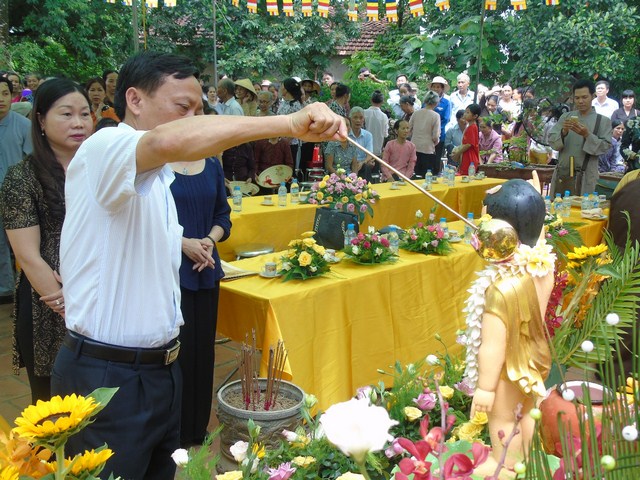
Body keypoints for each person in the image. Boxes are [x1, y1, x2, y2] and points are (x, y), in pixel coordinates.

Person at [51, 51, 345, 480]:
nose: (193, 119)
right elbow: (167, 141)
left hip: (159, 371)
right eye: (182, 107)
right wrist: (288, 123)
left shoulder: (159, 178)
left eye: (199, 109)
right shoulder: (104, 147)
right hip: (107, 376)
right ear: (134, 99)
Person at [0, 78, 92, 403]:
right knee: (55, 407)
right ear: (40, 120)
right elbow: (27, 255)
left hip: (99, 295)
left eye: (85, 114)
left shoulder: (100, 170)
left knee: (102, 400)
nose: (78, 123)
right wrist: (68, 305)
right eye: (66, 114)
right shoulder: (21, 177)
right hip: (49, 301)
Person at [469, 179, 553, 476]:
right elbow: (537, 232)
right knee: (526, 409)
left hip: (507, 368)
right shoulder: (542, 265)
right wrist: (532, 199)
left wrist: (485, 388)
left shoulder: (501, 288)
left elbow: (492, 345)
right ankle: (524, 457)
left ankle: (504, 463)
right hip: (534, 357)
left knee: (502, 416)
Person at [168, 153, 231, 448]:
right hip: (170, 269)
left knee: (203, 351)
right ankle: (175, 430)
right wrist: (183, 243)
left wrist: (209, 240)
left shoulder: (212, 165)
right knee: (177, 352)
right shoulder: (157, 164)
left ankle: (197, 427)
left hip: (205, 265)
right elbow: (147, 221)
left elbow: (222, 215)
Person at [0, 76, 33, 306]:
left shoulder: (23, 126)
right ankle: (5, 288)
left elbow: (33, 162)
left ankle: (27, 289)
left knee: (23, 245)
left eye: (4, 93)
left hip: (18, 196)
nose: (0, 99)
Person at [549, 79, 612, 196]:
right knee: (559, 205)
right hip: (563, 174)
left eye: (584, 97)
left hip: (586, 176)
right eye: (577, 98)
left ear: (593, 96)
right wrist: (563, 132)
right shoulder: (566, 117)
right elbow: (552, 142)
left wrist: (587, 135)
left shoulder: (603, 121)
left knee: (584, 206)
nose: (580, 101)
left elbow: (605, 147)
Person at [409, 90, 441, 176]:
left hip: (414, 146)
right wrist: (436, 142)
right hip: (427, 148)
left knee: (414, 172)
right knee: (425, 175)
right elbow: (435, 136)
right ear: (436, 103)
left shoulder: (416, 113)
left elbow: (409, 129)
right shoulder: (436, 116)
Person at [349, 107, 375, 180]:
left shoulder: (368, 135)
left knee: (366, 167)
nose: (358, 120)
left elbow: (369, 154)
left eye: (361, 118)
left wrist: (363, 162)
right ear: (350, 119)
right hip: (348, 163)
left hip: (363, 164)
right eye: (355, 117)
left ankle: (366, 187)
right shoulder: (346, 135)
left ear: (363, 119)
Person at [430, 76, 451, 165]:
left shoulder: (446, 103)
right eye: (434, 86)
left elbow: (446, 119)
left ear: (442, 89)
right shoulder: (426, 101)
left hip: (439, 135)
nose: (436, 89)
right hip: (426, 134)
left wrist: (436, 130)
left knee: (436, 160)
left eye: (438, 87)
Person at [455, 103, 481, 175]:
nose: (465, 114)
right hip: (467, 156)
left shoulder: (472, 127)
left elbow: (469, 144)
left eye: (467, 112)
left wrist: (458, 153)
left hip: (470, 157)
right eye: (465, 112)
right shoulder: (470, 126)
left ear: (475, 116)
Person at [363, 90, 389, 158]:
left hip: (363, 148)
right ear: (382, 102)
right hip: (377, 149)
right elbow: (385, 134)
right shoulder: (384, 116)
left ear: (371, 100)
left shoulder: (364, 113)